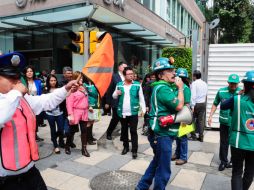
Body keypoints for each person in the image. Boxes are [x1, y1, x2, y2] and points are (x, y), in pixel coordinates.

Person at [0, 52, 78, 190]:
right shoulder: (14, 97)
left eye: (17, 77)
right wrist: (16, 93)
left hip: (29, 170)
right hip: (5, 179)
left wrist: (65, 89)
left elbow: (45, 101)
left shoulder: (20, 99)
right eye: (10, 78)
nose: (16, 82)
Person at [136, 57, 184, 190]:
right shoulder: (163, 88)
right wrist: (180, 89)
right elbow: (179, 106)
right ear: (160, 75)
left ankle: (142, 186)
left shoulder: (164, 87)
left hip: (162, 133)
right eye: (169, 71)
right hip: (162, 134)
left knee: (157, 161)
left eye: (172, 70)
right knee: (164, 170)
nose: (173, 73)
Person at [221, 71, 254, 190]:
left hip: (238, 142)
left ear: (245, 85)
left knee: (237, 172)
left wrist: (238, 95)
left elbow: (223, 105)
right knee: (250, 173)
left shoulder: (237, 99)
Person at [208, 74, 241, 171]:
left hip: (236, 123)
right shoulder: (221, 91)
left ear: (238, 83)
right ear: (228, 82)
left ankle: (233, 161)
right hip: (224, 123)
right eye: (231, 83)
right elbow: (215, 103)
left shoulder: (241, 93)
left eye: (235, 84)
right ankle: (223, 161)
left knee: (235, 144)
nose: (233, 86)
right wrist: (210, 116)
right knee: (224, 143)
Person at [113, 66, 146, 159]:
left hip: (133, 112)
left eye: (132, 74)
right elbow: (114, 96)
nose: (132, 76)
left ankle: (134, 150)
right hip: (122, 112)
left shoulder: (137, 85)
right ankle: (125, 147)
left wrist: (143, 110)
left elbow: (141, 98)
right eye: (129, 74)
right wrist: (116, 93)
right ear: (124, 75)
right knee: (124, 130)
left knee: (133, 131)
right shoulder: (119, 85)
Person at [66, 71, 90, 157]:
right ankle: (67, 146)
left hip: (84, 112)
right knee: (72, 131)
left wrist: (89, 106)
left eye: (82, 78)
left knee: (84, 131)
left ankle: (84, 149)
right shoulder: (72, 89)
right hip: (75, 112)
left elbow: (86, 99)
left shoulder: (83, 88)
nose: (82, 80)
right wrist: (70, 114)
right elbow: (69, 103)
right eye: (80, 78)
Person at [171, 68, 191, 165]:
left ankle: (183, 157)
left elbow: (186, 104)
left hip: (183, 115)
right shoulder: (175, 87)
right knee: (177, 136)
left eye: (182, 78)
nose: (180, 79)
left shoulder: (185, 89)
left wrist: (184, 117)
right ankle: (177, 153)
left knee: (182, 137)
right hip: (177, 115)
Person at [105, 61, 127, 140]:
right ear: (119, 67)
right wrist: (107, 102)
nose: (125, 69)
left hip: (125, 102)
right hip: (116, 101)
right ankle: (109, 133)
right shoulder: (114, 76)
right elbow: (109, 90)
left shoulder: (127, 76)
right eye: (124, 67)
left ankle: (123, 137)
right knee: (115, 119)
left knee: (125, 120)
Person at [23, 65, 45, 142]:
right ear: (25, 73)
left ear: (33, 72)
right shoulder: (23, 82)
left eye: (31, 71)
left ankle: (35, 135)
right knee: (27, 121)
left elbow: (40, 93)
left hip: (35, 103)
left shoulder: (38, 81)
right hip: (26, 104)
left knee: (35, 120)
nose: (29, 73)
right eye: (27, 71)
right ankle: (27, 135)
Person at [45, 74, 65, 153]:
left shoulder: (59, 89)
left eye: (54, 80)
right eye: (51, 80)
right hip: (50, 114)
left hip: (59, 112)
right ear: (48, 81)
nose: (53, 82)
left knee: (61, 129)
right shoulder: (46, 90)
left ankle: (54, 138)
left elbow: (63, 99)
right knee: (52, 129)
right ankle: (55, 145)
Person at [190, 70, 208, 142]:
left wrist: (192, 106)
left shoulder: (194, 84)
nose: (192, 77)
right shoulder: (204, 83)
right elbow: (206, 94)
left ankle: (193, 136)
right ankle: (201, 137)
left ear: (195, 76)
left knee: (192, 120)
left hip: (196, 104)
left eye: (193, 76)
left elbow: (193, 95)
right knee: (200, 121)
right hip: (203, 103)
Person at [84, 77, 99, 145]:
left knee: (92, 121)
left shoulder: (95, 84)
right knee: (88, 122)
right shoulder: (84, 85)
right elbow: (85, 95)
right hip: (89, 105)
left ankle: (91, 137)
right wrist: (88, 104)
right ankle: (88, 139)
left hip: (95, 104)